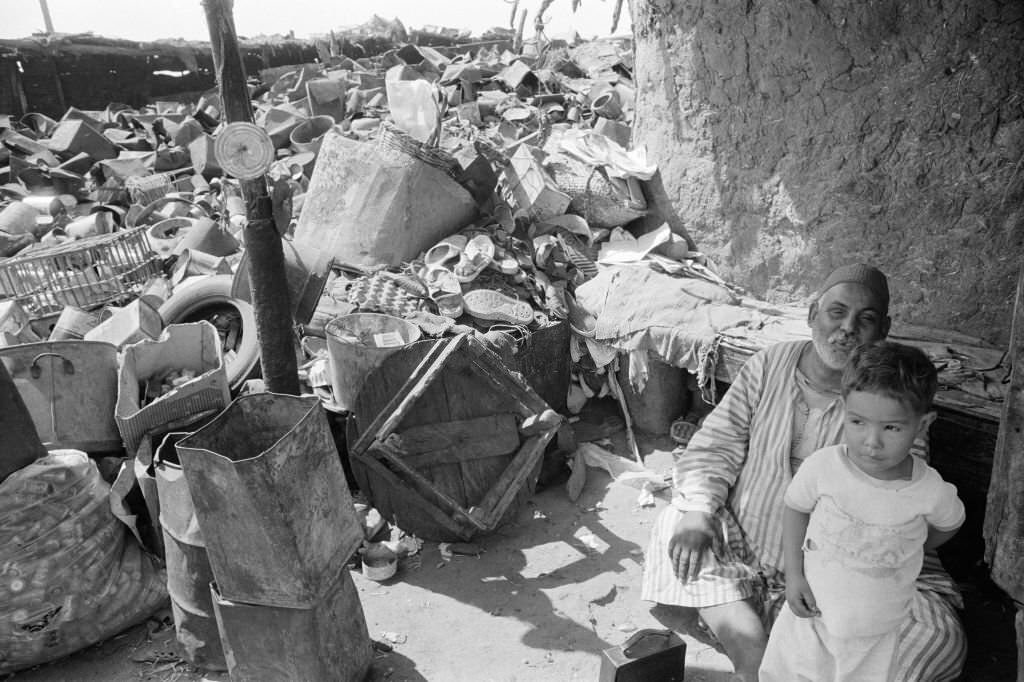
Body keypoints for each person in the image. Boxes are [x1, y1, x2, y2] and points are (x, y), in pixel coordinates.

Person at [641, 264, 966, 681]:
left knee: (937, 637)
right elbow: (717, 442)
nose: (847, 329)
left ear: (882, 330)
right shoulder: (769, 363)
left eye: (865, 320)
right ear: (813, 314)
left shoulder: (892, 401)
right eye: (836, 312)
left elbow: (906, 508)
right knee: (679, 525)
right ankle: (751, 657)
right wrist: (700, 511)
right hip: (747, 548)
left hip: (845, 573)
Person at [759, 341, 965, 681]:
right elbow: (795, 507)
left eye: (891, 428)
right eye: (858, 422)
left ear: (923, 423)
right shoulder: (824, 468)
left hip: (877, 633)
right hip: (812, 619)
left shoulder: (929, 491)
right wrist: (794, 575)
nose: (872, 441)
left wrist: (914, 547)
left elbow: (951, 523)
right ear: (843, 409)